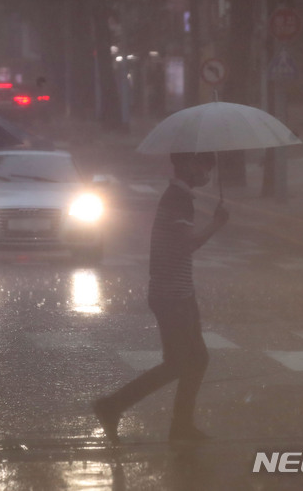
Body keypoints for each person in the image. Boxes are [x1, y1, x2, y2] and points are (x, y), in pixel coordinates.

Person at [93, 151, 229, 443]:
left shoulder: (181, 198)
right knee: (180, 362)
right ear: (187, 165)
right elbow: (185, 245)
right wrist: (216, 224)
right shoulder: (177, 200)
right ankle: (113, 406)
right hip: (171, 295)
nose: (207, 172)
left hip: (179, 292)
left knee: (196, 359)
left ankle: (180, 426)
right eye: (204, 165)